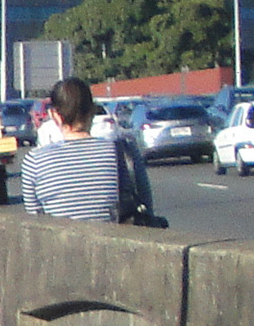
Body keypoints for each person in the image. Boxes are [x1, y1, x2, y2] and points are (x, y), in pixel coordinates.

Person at [17, 76, 153, 225]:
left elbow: (36, 221)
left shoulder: (34, 161)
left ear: (55, 116)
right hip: (112, 244)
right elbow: (146, 206)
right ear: (93, 111)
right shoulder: (119, 151)